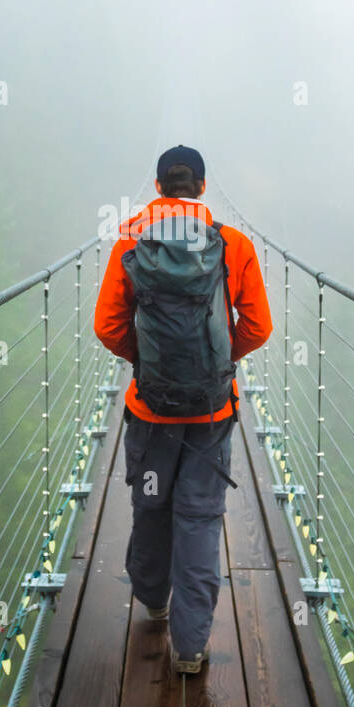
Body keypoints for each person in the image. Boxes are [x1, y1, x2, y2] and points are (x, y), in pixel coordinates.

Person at [93, 145, 273, 673]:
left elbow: (108, 327)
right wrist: (219, 363)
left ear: (157, 186)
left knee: (150, 505)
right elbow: (258, 327)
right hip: (211, 416)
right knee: (198, 519)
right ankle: (191, 648)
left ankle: (152, 600)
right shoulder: (232, 244)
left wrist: (147, 363)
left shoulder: (129, 238)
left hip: (150, 411)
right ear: (201, 187)